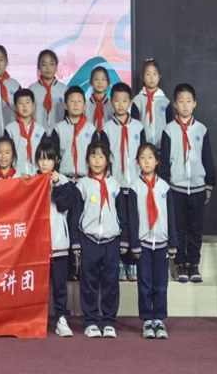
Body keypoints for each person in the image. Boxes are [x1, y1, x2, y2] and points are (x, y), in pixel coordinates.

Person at [159, 83, 214, 283]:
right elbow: (164, 160)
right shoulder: (169, 130)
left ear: (194, 104)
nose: (185, 105)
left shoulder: (201, 129)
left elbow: (207, 158)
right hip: (176, 188)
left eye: (188, 101)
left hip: (198, 187)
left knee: (195, 228)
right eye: (181, 101)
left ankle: (193, 263)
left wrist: (209, 184)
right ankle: (180, 263)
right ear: (174, 104)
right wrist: (165, 184)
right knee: (179, 228)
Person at [71, 140, 127, 338]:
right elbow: (75, 215)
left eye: (101, 156)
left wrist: (124, 239)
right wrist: (76, 241)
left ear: (107, 160)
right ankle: (91, 321)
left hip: (111, 241)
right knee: (89, 282)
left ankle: (109, 321)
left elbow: (122, 214)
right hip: (89, 240)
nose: (97, 160)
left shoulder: (115, 185)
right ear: (87, 160)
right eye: (93, 156)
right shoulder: (82, 185)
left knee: (111, 283)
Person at [127, 143, 177, 339]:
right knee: (145, 284)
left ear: (157, 161)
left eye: (150, 157)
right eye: (142, 158)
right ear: (137, 162)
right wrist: (134, 244)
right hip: (144, 244)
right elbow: (133, 218)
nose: (146, 161)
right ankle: (148, 319)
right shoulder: (135, 188)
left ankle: (160, 319)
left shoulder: (165, 187)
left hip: (162, 243)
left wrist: (172, 243)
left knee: (161, 284)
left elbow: (171, 217)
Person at [35, 140, 78, 337]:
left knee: (60, 285)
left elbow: (63, 204)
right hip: (37, 245)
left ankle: (62, 318)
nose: (44, 163)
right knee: (37, 286)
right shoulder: (31, 181)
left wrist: (56, 183)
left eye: (49, 159)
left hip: (59, 242)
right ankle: (37, 319)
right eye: (41, 159)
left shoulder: (64, 182)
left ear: (56, 160)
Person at [107, 82, 146, 282]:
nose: (121, 104)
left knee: (134, 222)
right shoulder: (106, 128)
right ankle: (120, 261)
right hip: (116, 184)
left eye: (124, 101)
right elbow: (105, 157)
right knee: (118, 223)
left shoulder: (138, 126)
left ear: (130, 102)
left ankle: (132, 261)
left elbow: (144, 154)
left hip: (135, 184)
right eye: (117, 100)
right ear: (111, 102)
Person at [51, 86, 104, 181]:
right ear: (65, 105)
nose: (76, 104)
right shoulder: (58, 129)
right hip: (63, 179)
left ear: (84, 106)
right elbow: (53, 156)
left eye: (79, 101)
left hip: (86, 180)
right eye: (72, 101)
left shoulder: (91, 129)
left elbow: (95, 155)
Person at [130, 58, 172, 147]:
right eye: (148, 74)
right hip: (143, 147)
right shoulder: (137, 100)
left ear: (159, 76)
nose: (151, 77)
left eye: (154, 74)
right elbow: (134, 125)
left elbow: (170, 125)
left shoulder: (165, 101)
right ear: (142, 77)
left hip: (162, 146)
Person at [4, 88, 45, 176]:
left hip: (37, 176)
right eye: (20, 103)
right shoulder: (9, 129)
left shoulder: (41, 130)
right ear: (15, 107)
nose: (24, 106)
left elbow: (45, 156)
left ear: (33, 106)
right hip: (16, 176)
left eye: (27, 102)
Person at [31, 49, 66, 133]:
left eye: (51, 64)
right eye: (44, 64)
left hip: (59, 134)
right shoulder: (32, 89)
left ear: (56, 67)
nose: (48, 68)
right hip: (37, 134)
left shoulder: (64, 89)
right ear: (39, 67)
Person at [85, 66, 111, 134]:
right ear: (91, 82)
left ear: (108, 82)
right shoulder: (85, 105)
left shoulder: (112, 105)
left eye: (103, 79)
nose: (100, 82)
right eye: (96, 79)